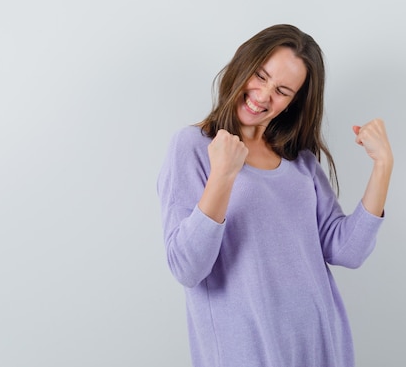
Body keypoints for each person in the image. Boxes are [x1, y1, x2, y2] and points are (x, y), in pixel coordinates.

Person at [157, 24, 393, 367]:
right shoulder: (193, 147)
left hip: (321, 345)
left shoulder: (301, 164)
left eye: (282, 90)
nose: (264, 95)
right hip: (247, 352)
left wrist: (382, 164)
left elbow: (347, 250)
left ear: (293, 103)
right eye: (260, 75)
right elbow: (187, 267)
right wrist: (223, 175)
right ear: (243, 65)